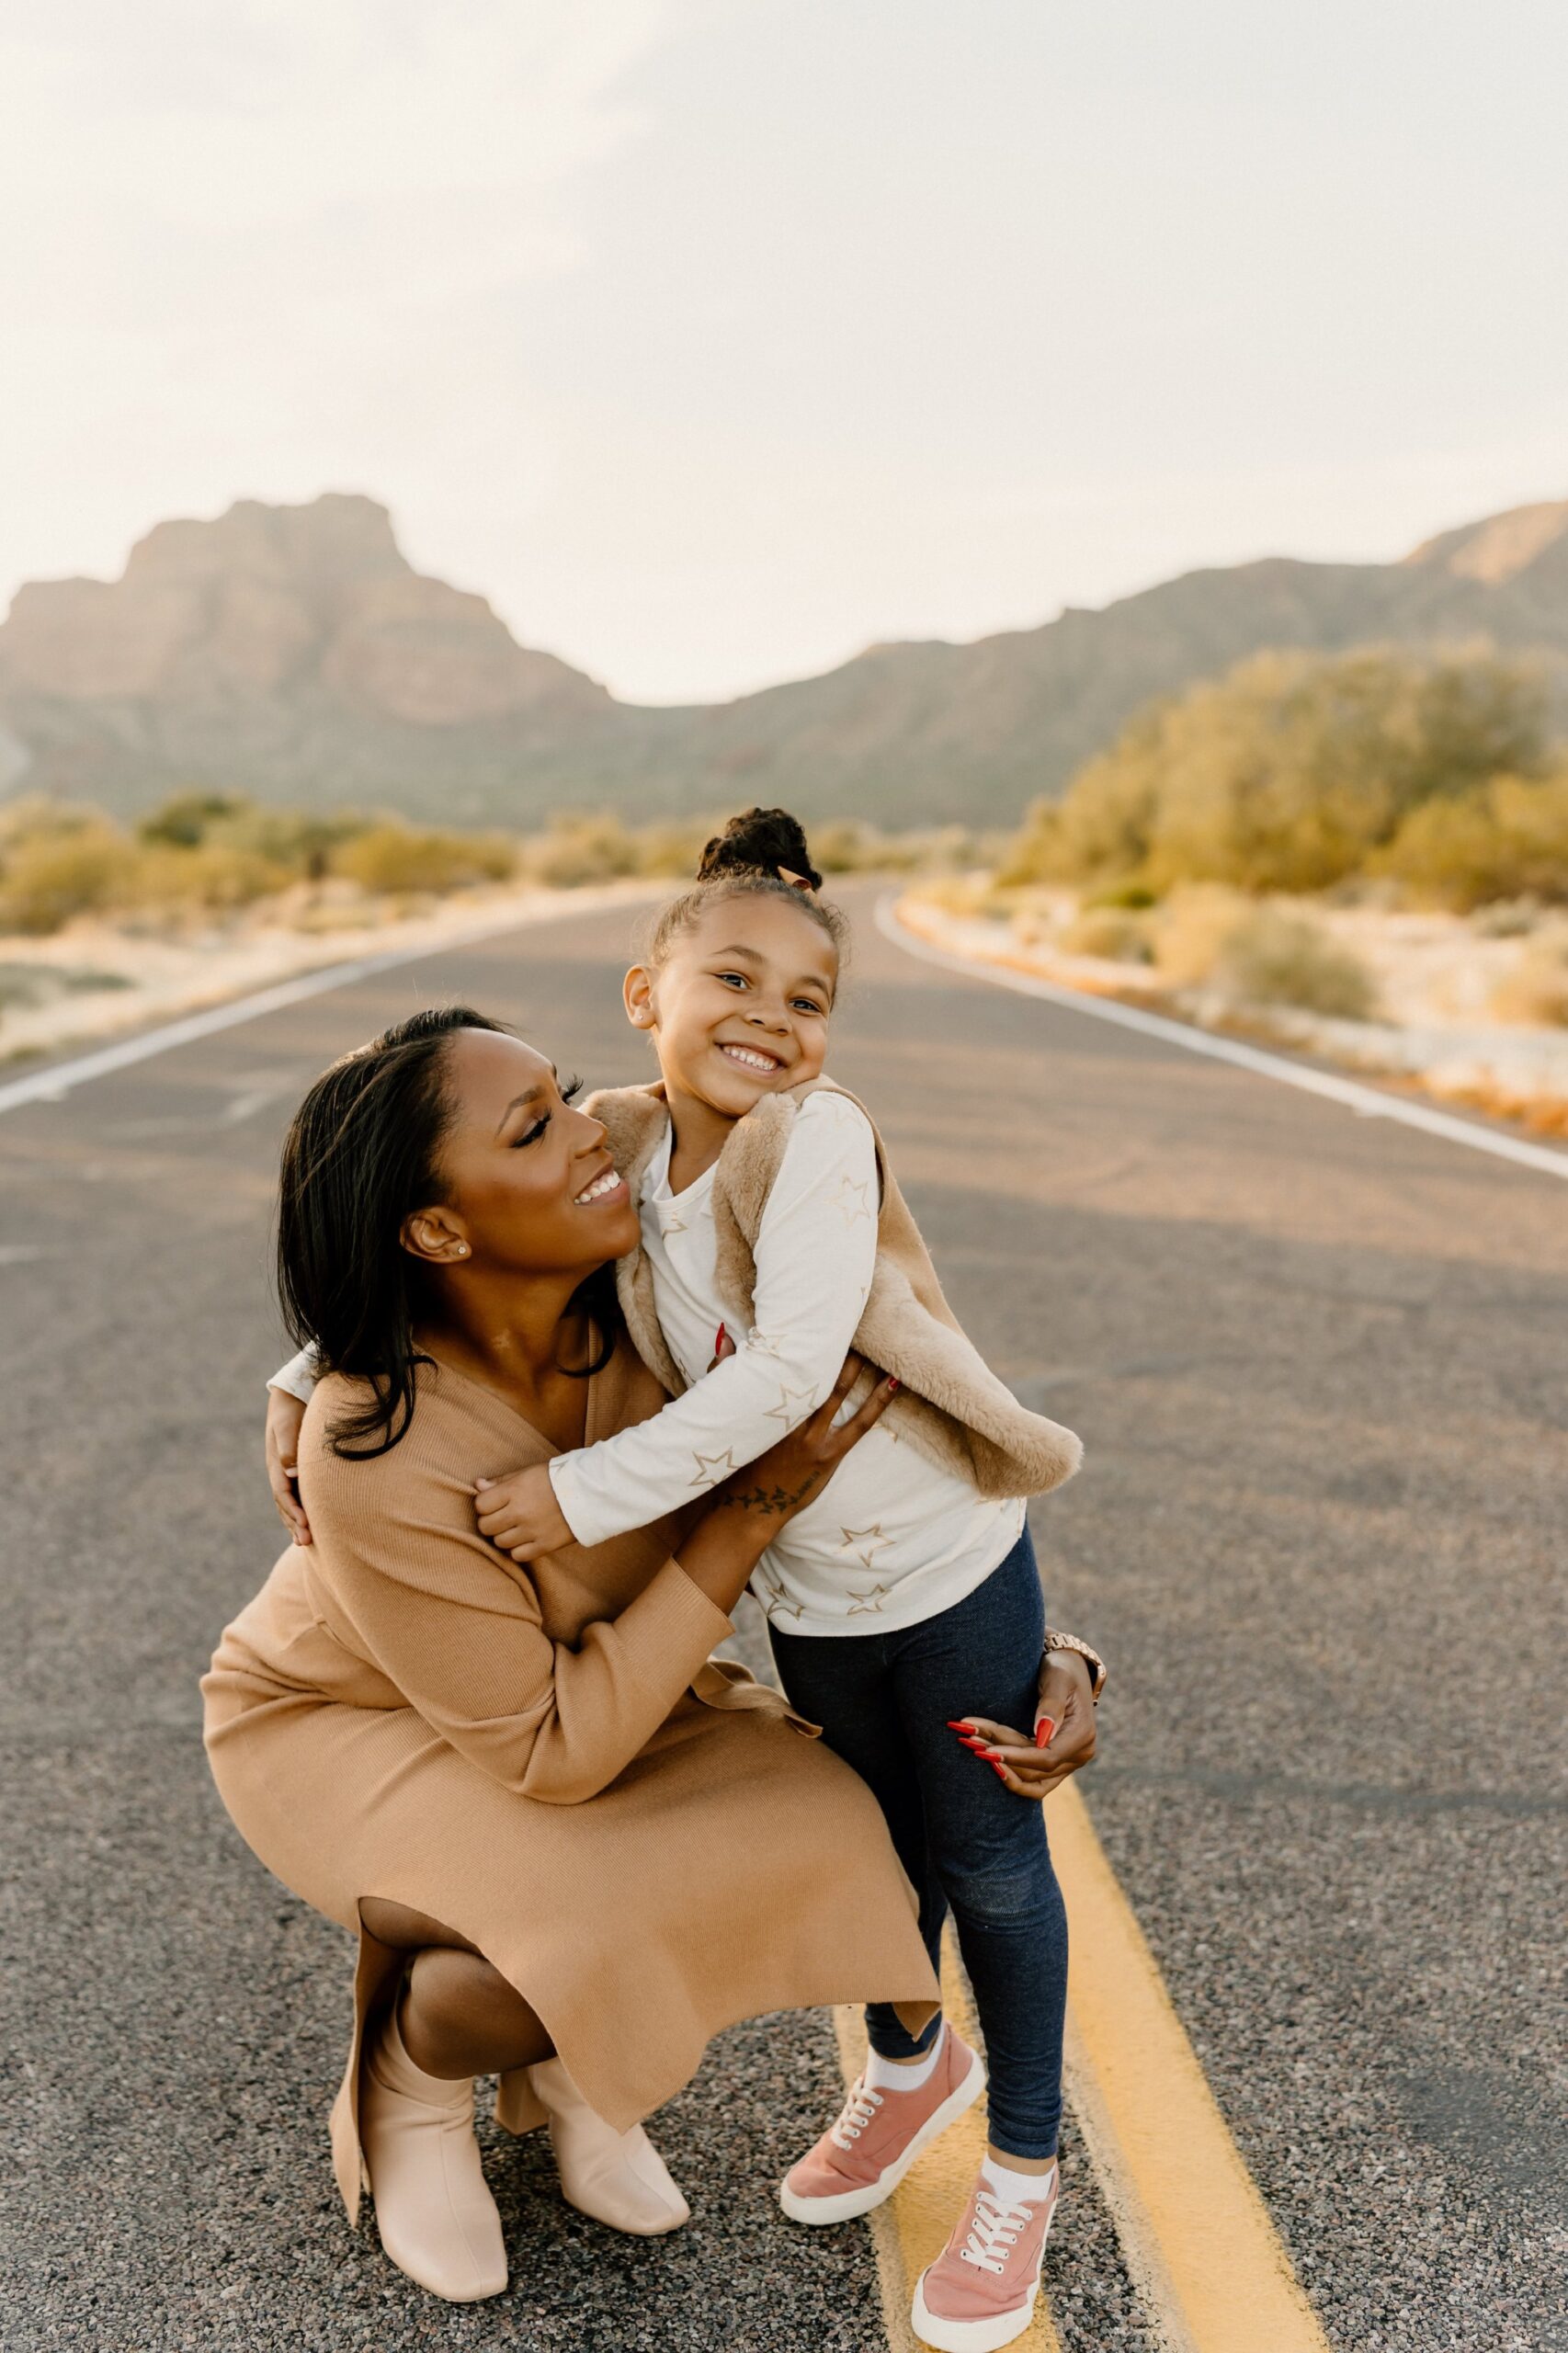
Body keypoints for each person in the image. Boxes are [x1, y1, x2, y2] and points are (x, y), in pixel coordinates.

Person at [267, 813, 1106, 2353]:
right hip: (498, 1681)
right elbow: (421, 1234)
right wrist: (314, 1373)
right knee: (740, 1880)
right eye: (733, 979)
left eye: (808, 1001)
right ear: (646, 994)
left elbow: (807, 1383)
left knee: (930, 1851)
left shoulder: (735, 1166)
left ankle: (988, 2146)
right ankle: (451, 2084)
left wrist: (1044, 1641)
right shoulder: (607, 1173)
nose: (773, 1025)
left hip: (843, 1595)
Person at [208, 1006, 941, 2307]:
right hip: (344, 1715)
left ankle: (569, 2070)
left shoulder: (652, 1289)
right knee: (539, 1951)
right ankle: (417, 2087)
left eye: (565, 1092)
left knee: (845, 1817)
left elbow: (908, 1436)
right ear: (436, 1230)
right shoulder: (368, 1440)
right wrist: (749, 1510)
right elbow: (551, 1753)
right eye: (537, 1125)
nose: (595, 1124)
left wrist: (1043, 1646)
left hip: (591, 1672)